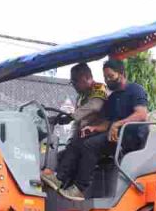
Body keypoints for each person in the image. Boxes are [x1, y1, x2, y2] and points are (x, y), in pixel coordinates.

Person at [66, 59, 149, 201]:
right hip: (116, 137)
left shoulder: (135, 90)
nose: (108, 80)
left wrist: (117, 125)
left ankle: (80, 188)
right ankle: (65, 183)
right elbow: (108, 122)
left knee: (90, 145)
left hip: (133, 137)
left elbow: (141, 114)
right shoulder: (113, 97)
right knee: (81, 142)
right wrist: (93, 128)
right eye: (105, 78)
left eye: (111, 76)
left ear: (121, 74)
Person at [41, 63, 109, 200]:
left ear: (85, 78)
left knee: (77, 146)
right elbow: (78, 119)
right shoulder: (82, 96)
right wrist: (61, 119)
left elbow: (93, 107)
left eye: (75, 82)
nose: (74, 86)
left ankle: (63, 181)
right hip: (85, 135)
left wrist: (71, 116)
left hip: (100, 134)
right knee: (62, 155)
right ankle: (59, 190)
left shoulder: (99, 88)